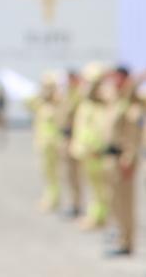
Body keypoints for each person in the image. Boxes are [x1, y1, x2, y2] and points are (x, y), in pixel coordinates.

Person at [103, 66, 143, 256]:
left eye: (119, 79)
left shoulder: (133, 105)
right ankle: (120, 235)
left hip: (125, 159)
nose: (115, 82)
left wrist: (129, 159)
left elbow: (135, 139)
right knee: (115, 201)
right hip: (112, 158)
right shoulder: (116, 101)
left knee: (126, 204)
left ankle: (127, 243)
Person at [69, 62, 110, 230]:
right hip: (87, 152)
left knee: (102, 189)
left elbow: (101, 131)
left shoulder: (103, 106)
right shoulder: (86, 103)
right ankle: (96, 215)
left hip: (97, 153)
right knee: (94, 187)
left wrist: (96, 148)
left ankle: (101, 217)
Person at [25, 72, 62, 212]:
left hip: (54, 144)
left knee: (54, 173)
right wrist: (41, 94)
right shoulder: (41, 103)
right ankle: (49, 197)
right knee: (46, 172)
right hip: (43, 143)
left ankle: (54, 198)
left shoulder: (58, 103)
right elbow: (28, 103)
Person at [56, 69, 84, 218]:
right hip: (66, 139)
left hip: (75, 139)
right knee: (69, 176)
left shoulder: (78, 95)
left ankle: (78, 205)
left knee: (77, 176)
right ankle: (74, 204)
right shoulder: (66, 95)